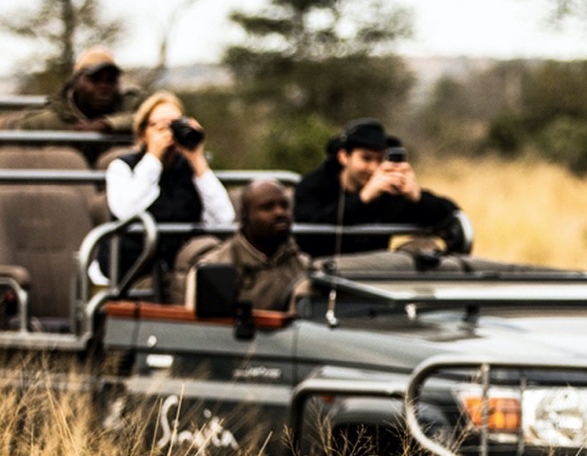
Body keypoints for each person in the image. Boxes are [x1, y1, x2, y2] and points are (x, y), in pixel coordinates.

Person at [104, 91, 235, 294]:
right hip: (133, 272)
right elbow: (126, 211)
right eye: (161, 127)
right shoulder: (122, 167)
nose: (170, 135)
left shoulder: (191, 170)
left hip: (182, 268)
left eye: (175, 126)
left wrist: (197, 160)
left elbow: (224, 219)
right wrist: (154, 158)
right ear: (142, 133)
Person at [292, 119, 465, 258]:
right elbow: (309, 233)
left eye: (380, 160)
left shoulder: (388, 193)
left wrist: (417, 198)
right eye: (366, 159)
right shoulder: (313, 186)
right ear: (344, 157)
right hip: (322, 273)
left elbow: (450, 215)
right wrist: (363, 199)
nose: (374, 168)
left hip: (374, 275)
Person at [179, 180, 311, 313]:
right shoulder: (213, 267)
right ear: (245, 216)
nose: (279, 213)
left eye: (284, 205)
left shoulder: (304, 266)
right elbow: (203, 329)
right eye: (267, 207)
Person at [3, 47, 136, 132]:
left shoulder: (129, 108)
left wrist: (106, 125)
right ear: (77, 81)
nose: (104, 87)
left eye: (111, 80)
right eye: (95, 79)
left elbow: (146, 117)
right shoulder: (45, 122)